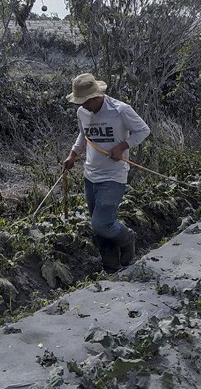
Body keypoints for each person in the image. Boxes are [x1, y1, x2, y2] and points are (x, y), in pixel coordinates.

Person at [62, 73, 150, 272]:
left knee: (102, 224)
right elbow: (83, 135)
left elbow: (143, 130)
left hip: (113, 176)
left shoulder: (120, 110)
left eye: (85, 102)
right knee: (98, 227)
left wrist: (122, 146)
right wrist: (73, 154)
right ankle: (111, 267)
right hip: (90, 175)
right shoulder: (83, 113)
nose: (82, 106)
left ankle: (128, 237)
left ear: (95, 96)